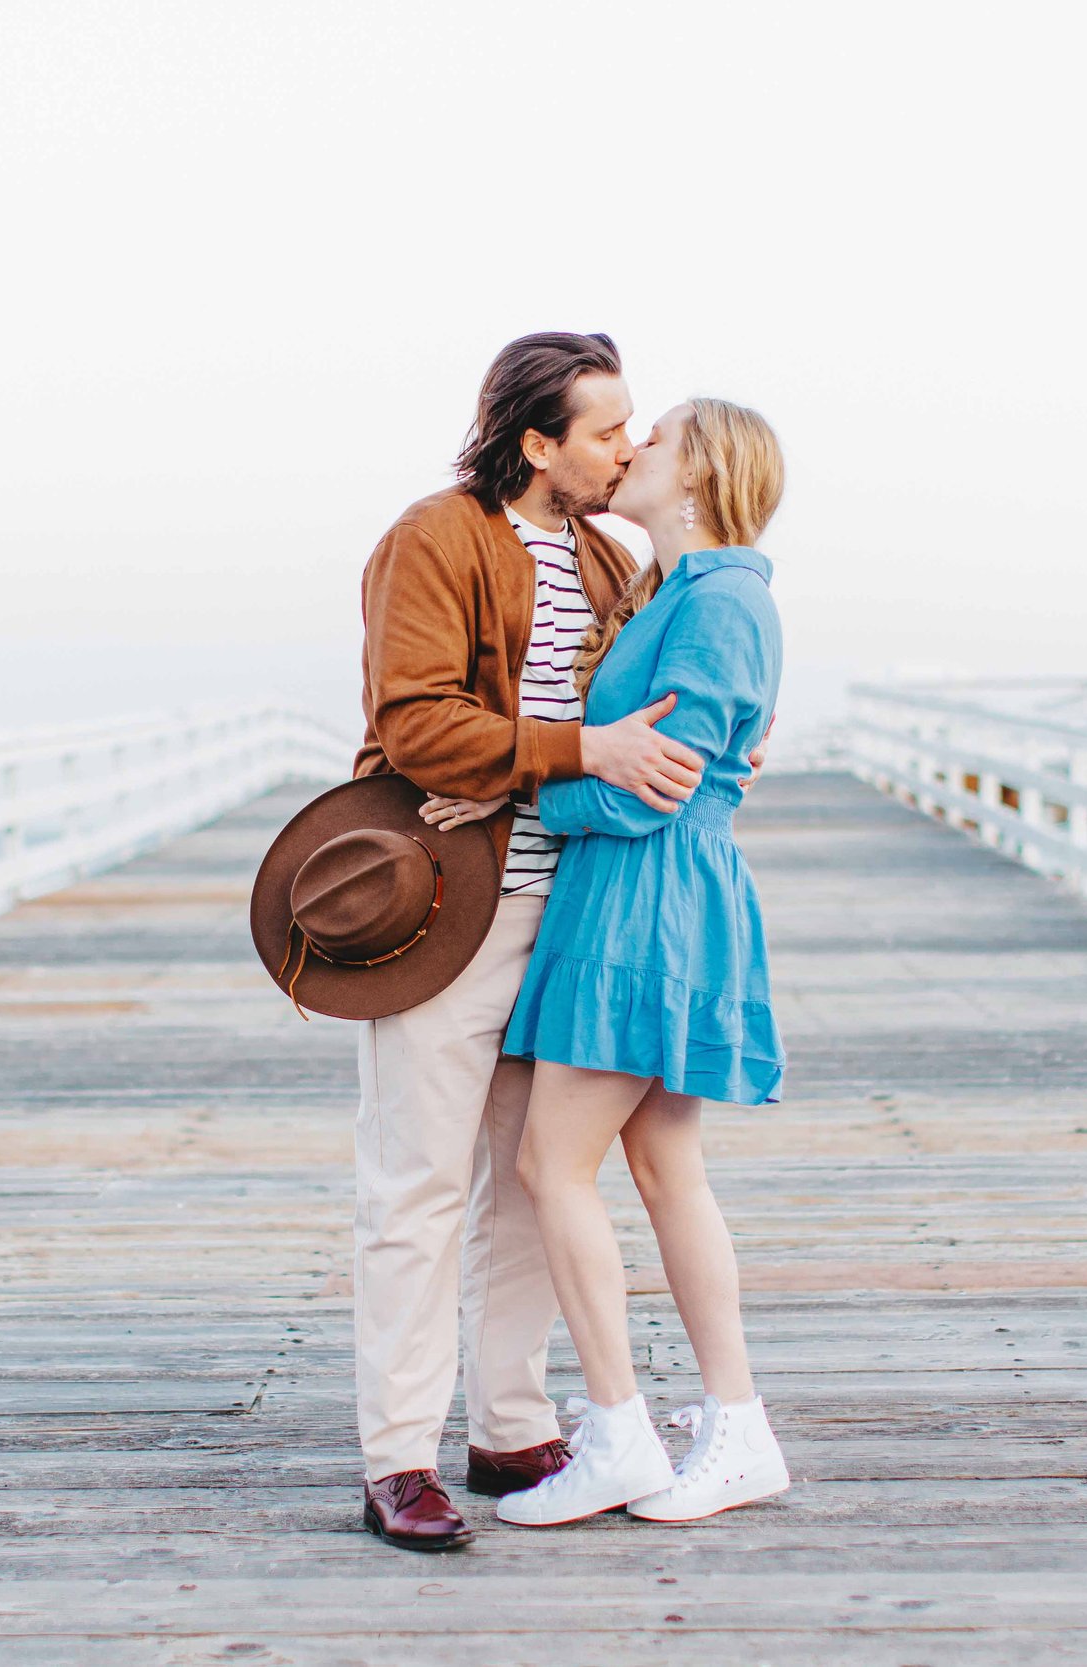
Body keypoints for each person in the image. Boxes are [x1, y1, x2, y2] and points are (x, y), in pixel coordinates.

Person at [348, 334, 767, 1553]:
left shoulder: (608, 556)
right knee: (417, 1186)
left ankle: (512, 1421)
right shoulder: (437, 536)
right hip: (449, 912)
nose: (627, 445)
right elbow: (417, 719)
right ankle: (398, 1457)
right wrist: (577, 755)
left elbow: (662, 724)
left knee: (537, 1182)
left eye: (636, 426)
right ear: (536, 443)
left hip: (574, 910)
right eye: (603, 430)